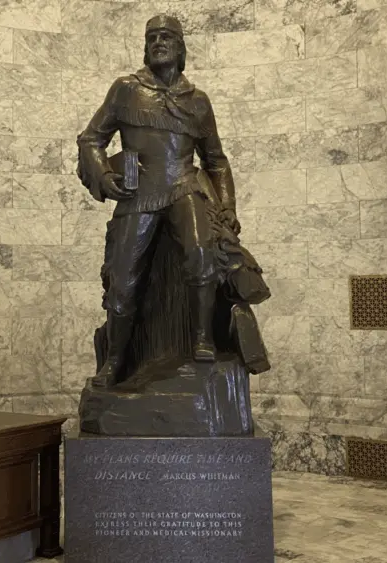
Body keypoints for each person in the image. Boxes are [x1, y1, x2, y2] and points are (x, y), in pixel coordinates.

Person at [76, 14, 239, 388]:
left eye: (166, 37)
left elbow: (216, 160)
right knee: (121, 280)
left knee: (201, 252)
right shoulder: (125, 89)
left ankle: (202, 339)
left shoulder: (197, 101)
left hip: (184, 185)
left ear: (181, 48)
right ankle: (114, 359)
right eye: (152, 37)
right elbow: (91, 139)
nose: (158, 42)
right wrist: (103, 175)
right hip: (139, 194)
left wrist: (227, 206)